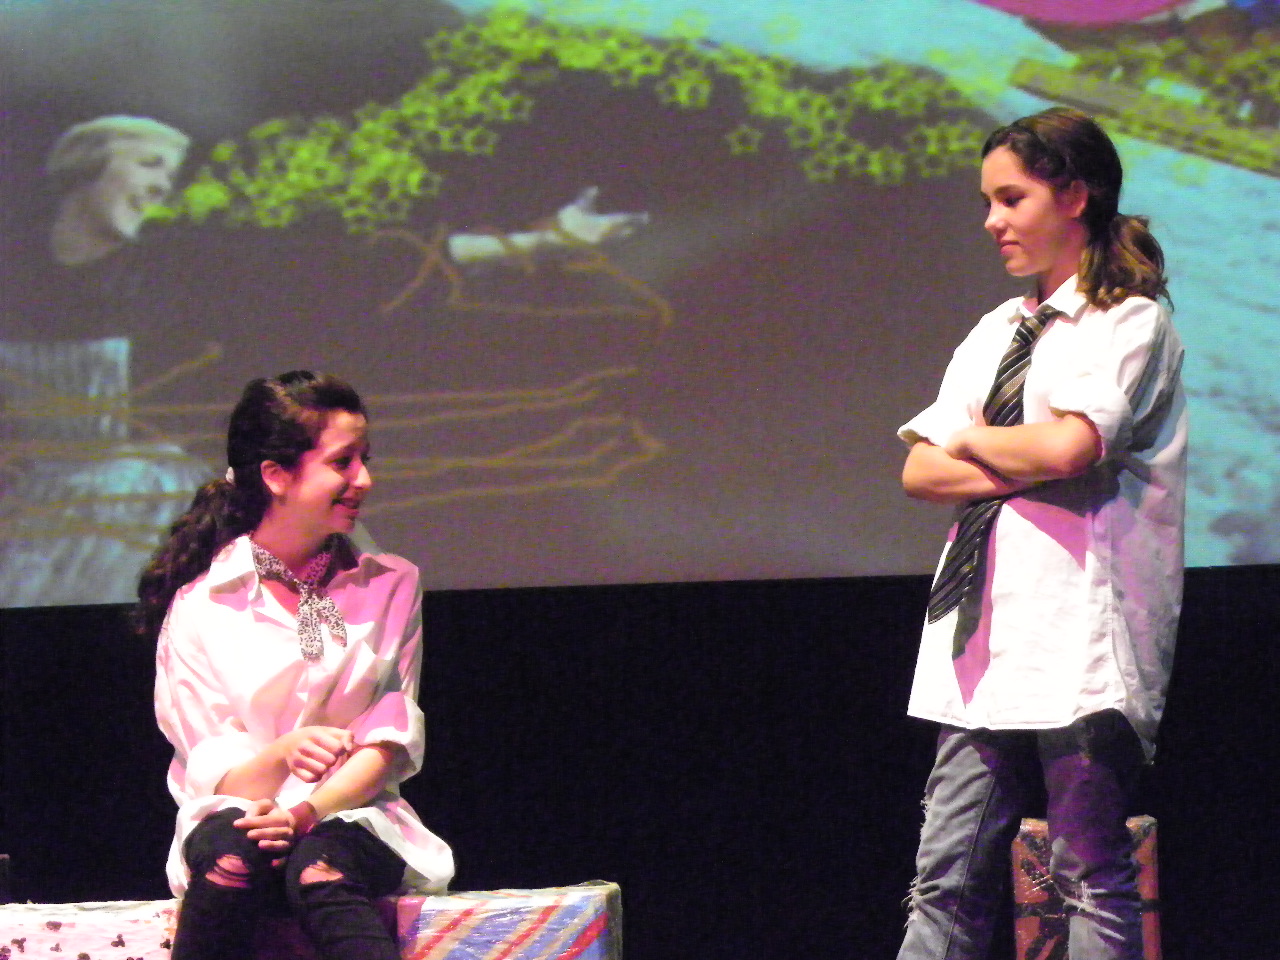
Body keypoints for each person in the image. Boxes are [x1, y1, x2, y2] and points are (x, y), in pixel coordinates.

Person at [895, 106, 1186, 960]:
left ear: (1074, 196)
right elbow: (919, 472)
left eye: (1010, 198)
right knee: (944, 874)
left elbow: (1070, 446)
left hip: (1082, 631)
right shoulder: (998, 330)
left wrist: (972, 439)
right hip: (982, 629)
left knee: (1087, 869)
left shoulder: (1127, 321)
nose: (993, 220)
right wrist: (1011, 450)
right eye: (988, 201)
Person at [138, 371, 453, 959]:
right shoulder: (203, 604)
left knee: (320, 866)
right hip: (239, 813)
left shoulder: (391, 584)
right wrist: (284, 754)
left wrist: (306, 812)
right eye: (342, 462)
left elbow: (386, 741)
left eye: (364, 460)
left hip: (349, 813)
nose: (364, 479)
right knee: (234, 854)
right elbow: (213, 769)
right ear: (276, 475)